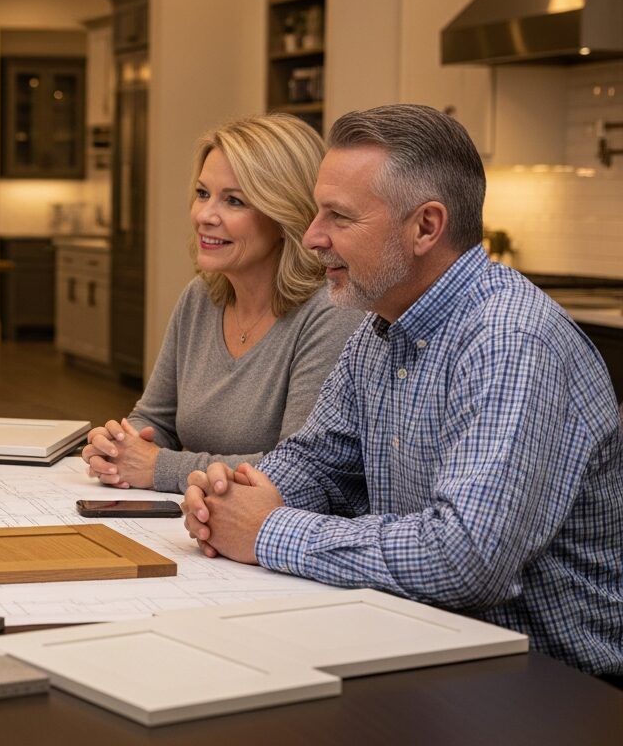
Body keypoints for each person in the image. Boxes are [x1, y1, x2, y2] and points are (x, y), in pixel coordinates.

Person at [181, 104, 623, 681]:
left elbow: (467, 560)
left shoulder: (510, 340)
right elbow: (321, 460)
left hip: (553, 685)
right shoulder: (381, 325)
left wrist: (267, 530)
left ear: (426, 227)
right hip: (436, 644)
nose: (313, 238)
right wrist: (235, 495)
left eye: (338, 217)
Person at [83, 113, 362, 492]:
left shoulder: (329, 312)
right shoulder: (200, 298)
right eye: (202, 194)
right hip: (196, 521)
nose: (204, 216)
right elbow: (155, 421)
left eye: (233, 200)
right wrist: (117, 447)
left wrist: (159, 467)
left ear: (286, 215)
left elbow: (299, 469)